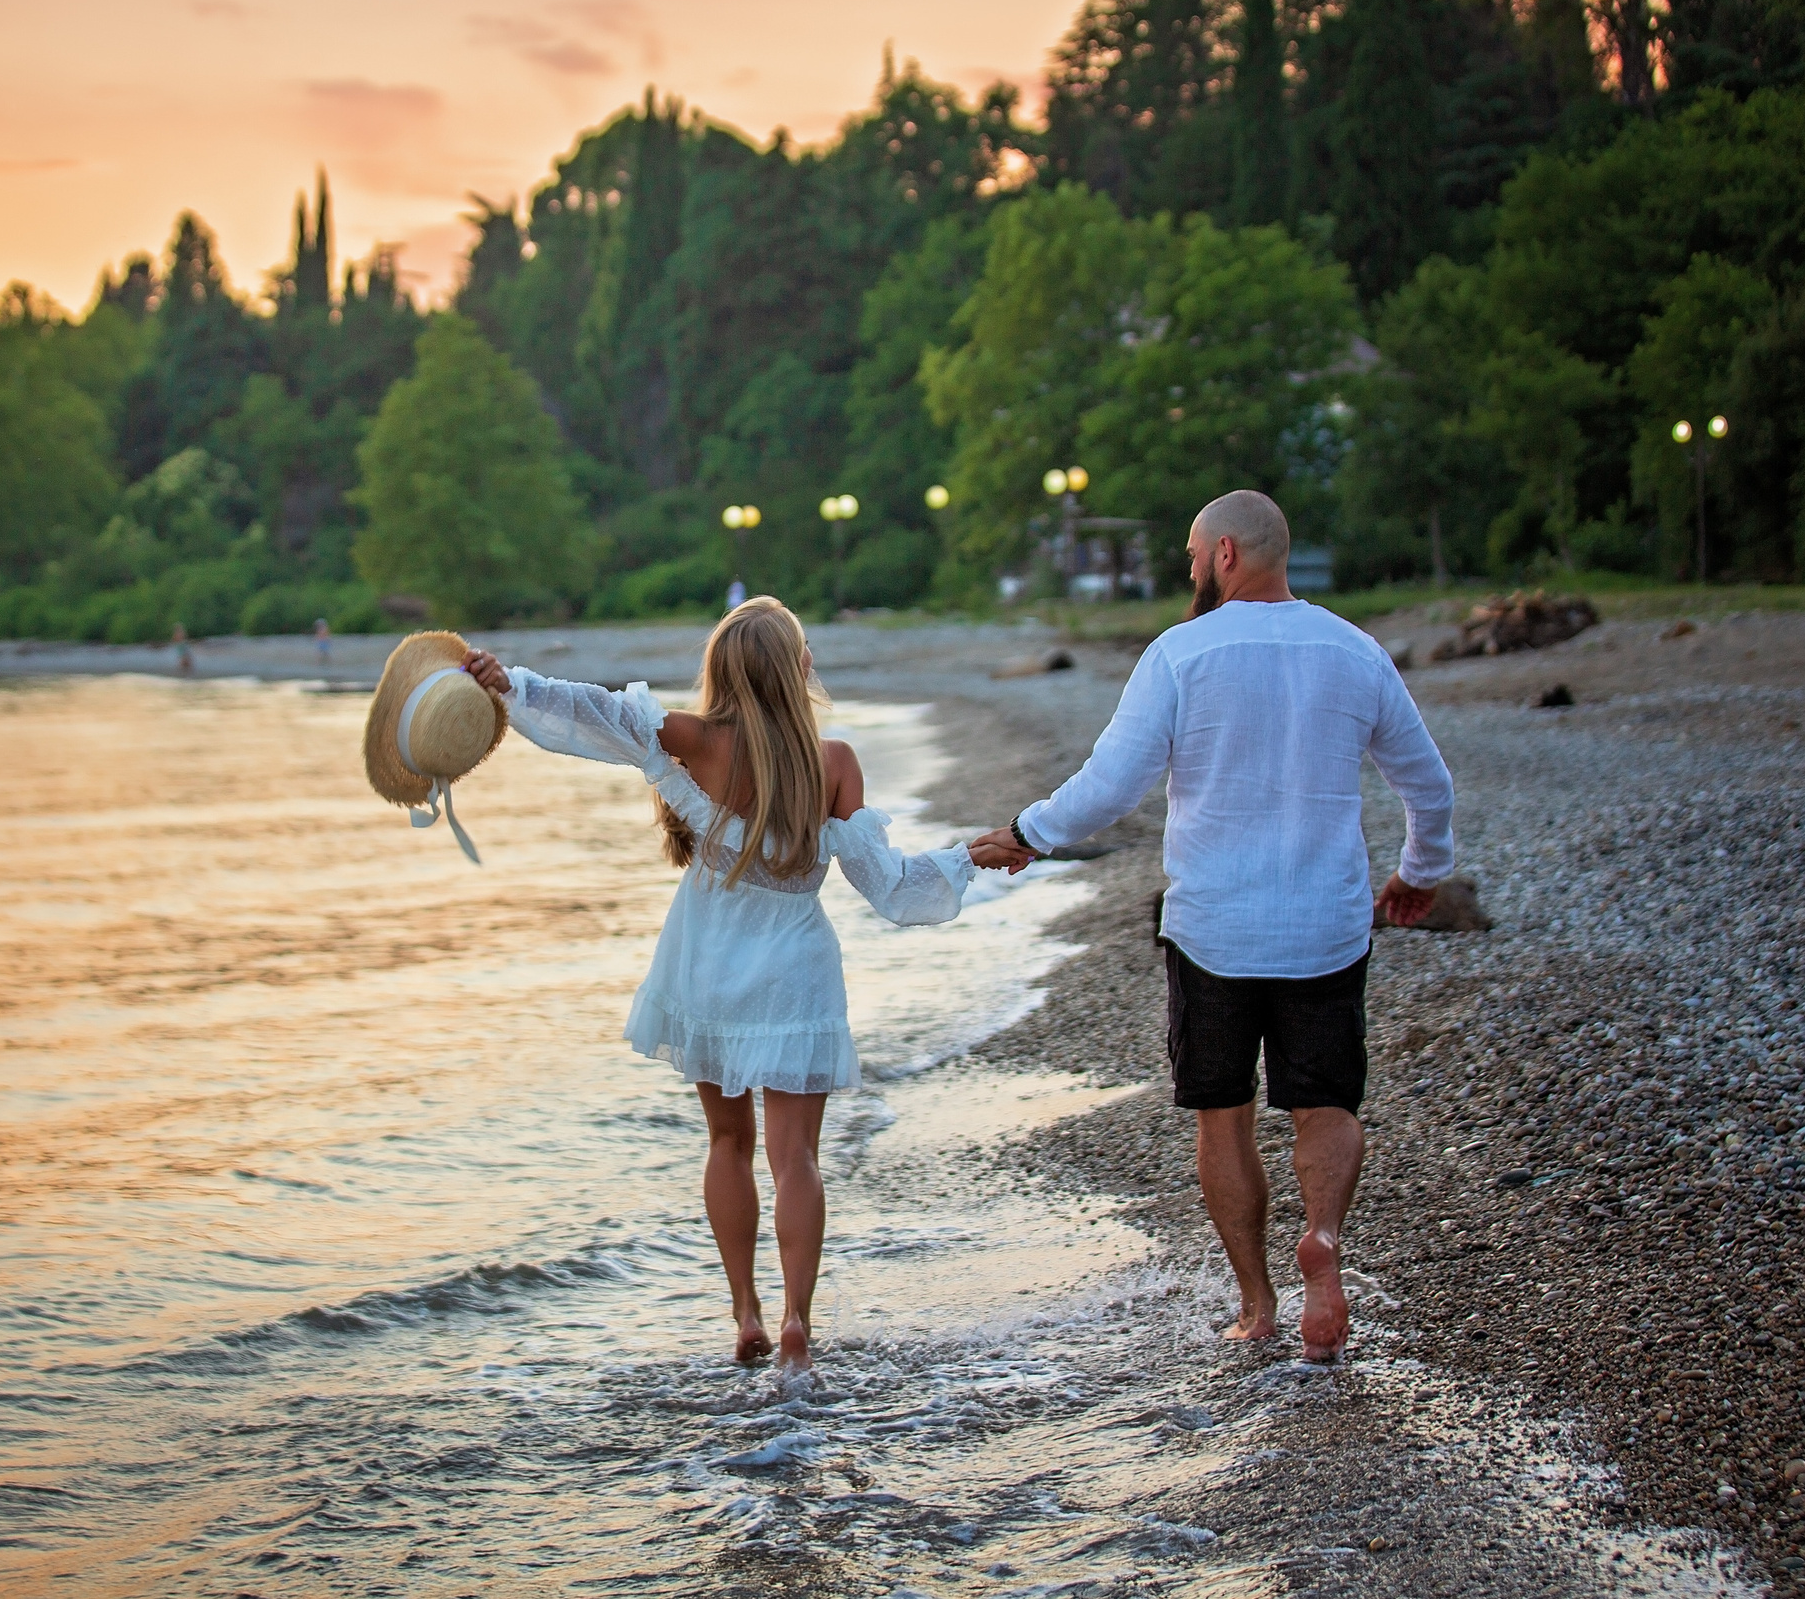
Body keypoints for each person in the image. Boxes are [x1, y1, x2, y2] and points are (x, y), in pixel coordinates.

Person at [462, 598, 1031, 1371]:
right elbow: (892, 887)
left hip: (706, 959)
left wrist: (508, 685)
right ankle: (798, 1319)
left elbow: (588, 711)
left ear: (721, 672)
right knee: (795, 1157)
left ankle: (745, 1310)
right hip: (794, 969)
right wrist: (969, 855)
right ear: (799, 669)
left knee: (727, 1142)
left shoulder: (693, 740)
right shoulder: (834, 762)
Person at [973, 490, 1454, 1363]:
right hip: (1326, 927)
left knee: (1222, 1116)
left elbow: (1111, 784)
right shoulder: (1355, 650)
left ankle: (1257, 1302)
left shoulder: (1179, 654)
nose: (1190, 570)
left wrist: (1027, 834)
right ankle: (1325, 1244)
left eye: (1195, 554)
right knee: (1326, 1102)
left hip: (1213, 932)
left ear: (1226, 552)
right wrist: (1418, 873)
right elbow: (1429, 787)